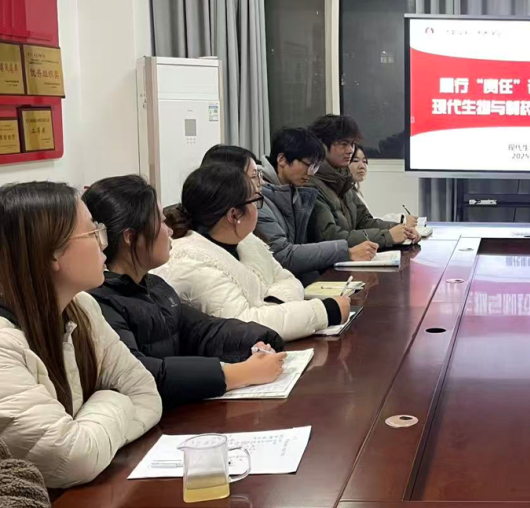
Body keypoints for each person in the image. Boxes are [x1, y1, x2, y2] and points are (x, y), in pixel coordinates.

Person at [0, 182, 161, 489]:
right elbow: (72, 458)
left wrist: (94, 440)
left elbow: (145, 395)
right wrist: (112, 397)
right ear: (52, 253)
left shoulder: (81, 307)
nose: (104, 244)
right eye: (92, 232)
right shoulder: (4, 346)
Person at [83, 175, 287, 410]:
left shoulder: (155, 287)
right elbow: (141, 373)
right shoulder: (101, 303)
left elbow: (203, 330)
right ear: (131, 238)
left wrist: (261, 339)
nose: (169, 231)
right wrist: (238, 374)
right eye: (161, 222)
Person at [155, 165, 351, 342]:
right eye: (256, 200)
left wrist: (271, 304)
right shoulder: (191, 261)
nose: (258, 207)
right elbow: (244, 324)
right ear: (234, 215)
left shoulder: (246, 240)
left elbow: (286, 278)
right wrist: (324, 312)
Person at [240, 129, 376, 285]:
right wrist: (346, 252)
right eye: (308, 165)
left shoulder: (296, 193)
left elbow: (301, 253)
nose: (311, 173)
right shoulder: (257, 199)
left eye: (315, 167)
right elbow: (282, 256)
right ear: (282, 160)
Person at [307, 115, 417, 250]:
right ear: (321, 145)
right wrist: (386, 236)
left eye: (352, 144)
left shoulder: (343, 180)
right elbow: (331, 237)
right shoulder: (311, 186)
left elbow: (365, 221)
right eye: (343, 144)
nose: (350, 150)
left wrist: (403, 230)